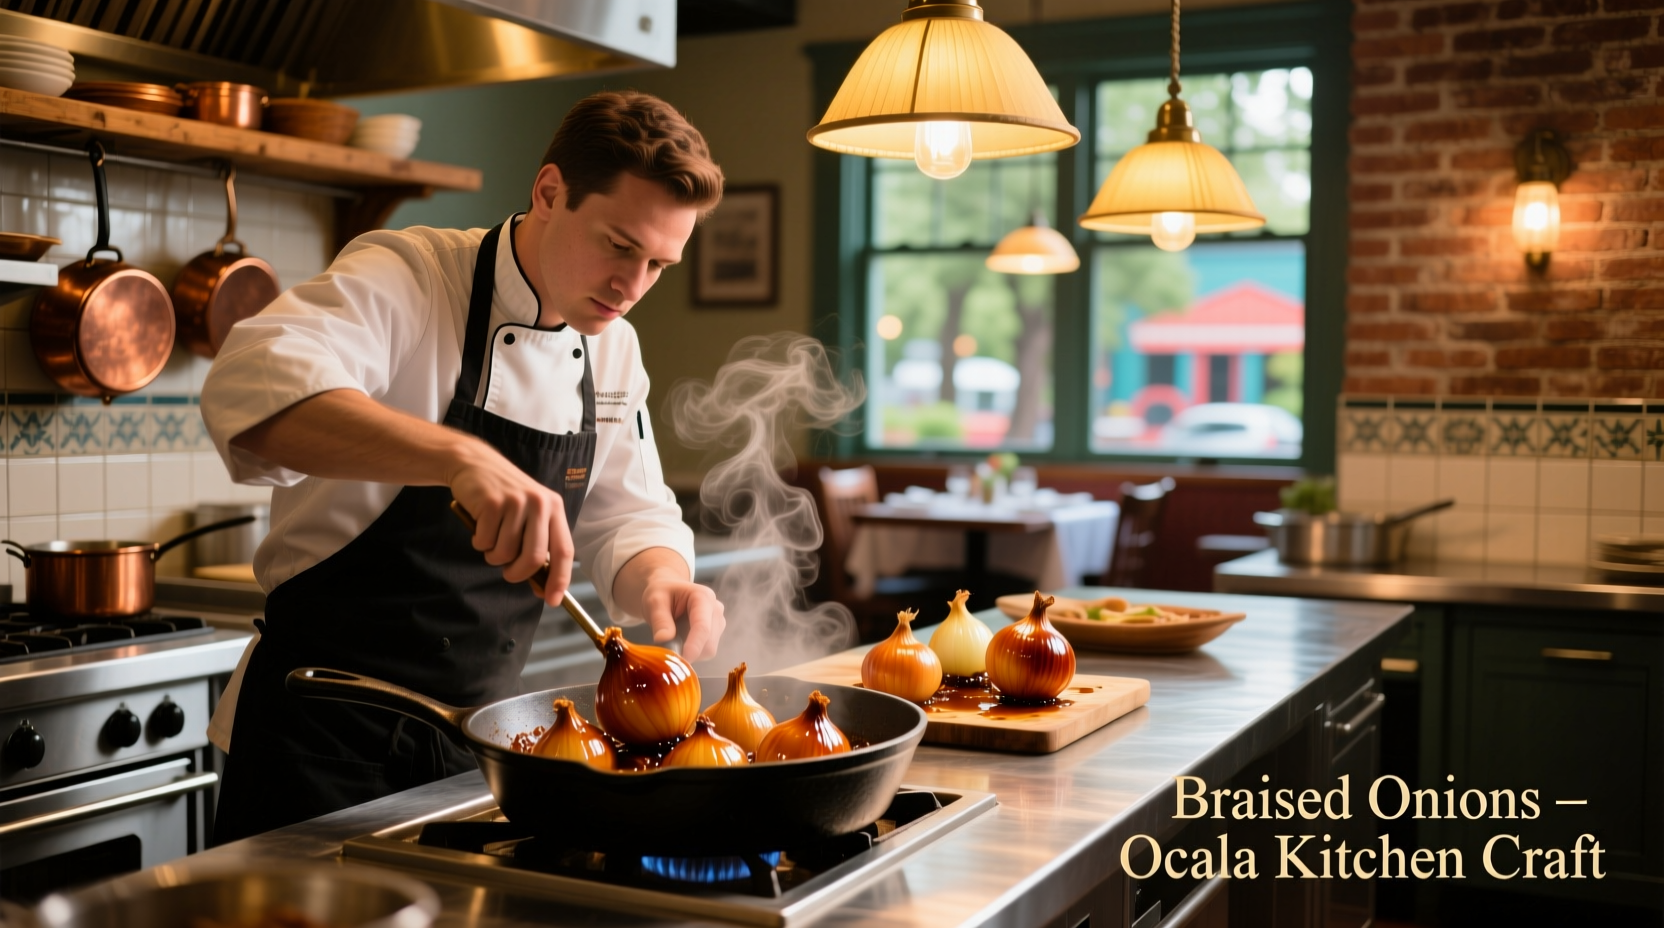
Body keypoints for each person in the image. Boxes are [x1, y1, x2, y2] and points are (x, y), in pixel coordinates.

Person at [200, 90, 726, 843]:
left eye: (658, 265)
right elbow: (249, 390)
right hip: (317, 746)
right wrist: (456, 455)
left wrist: (662, 579)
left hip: (476, 751)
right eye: (617, 245)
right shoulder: (410, 275)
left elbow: (629, 511)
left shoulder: (611, 345)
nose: (632, 286)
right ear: (550, 193)